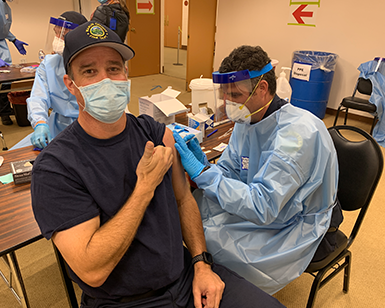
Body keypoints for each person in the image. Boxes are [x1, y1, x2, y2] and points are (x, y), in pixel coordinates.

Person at [31, 22, 284, 308]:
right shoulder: (57, 168)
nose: (106, 80)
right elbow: (92, 270)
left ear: (126, 75)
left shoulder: (153, 132)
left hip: (187, 278)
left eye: (114, 68)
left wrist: (201, 263)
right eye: (89, 71)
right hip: (126, 301)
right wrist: (144, 188)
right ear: (70, 84)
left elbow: (183, 199)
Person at [173, 45, 343, 295]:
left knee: (211, 241)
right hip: (262, 201)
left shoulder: (297, 135)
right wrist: (207, 168)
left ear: (262, 88)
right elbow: (231, 171)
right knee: (189, 211)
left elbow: (264, 206)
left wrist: (204, 175)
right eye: (225, 94)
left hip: (294, 220)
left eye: (235, 95)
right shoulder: (249, 117)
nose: (227, 103)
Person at [10, 11, 87, 150]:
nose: (57, 39)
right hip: (56, 127)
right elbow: (38, 97)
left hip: (88, 127)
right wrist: (40, 123)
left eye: (62, 35)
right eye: (55, 33)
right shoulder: (49, 63)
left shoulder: (91, 64)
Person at [0, 0, 28, 125]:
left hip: (2, 47)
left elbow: (3, 30)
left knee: (6, 81)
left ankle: (5, 110)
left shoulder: (5, 6)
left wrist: (14, 40)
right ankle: (3, 113)